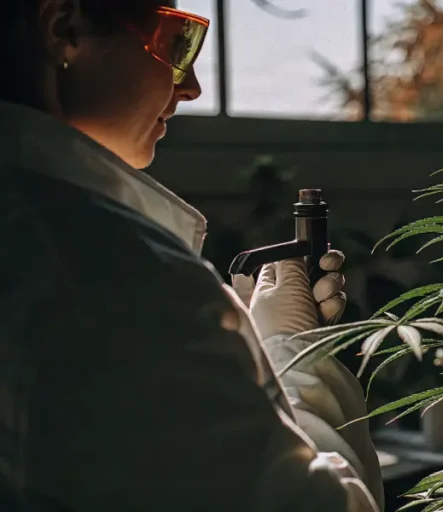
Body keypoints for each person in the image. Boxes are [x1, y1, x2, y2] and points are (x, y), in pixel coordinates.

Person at [0, 1, 383, 511]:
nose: (193, 86)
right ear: (64, 28)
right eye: (177, 41)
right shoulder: (123, 282)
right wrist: (294, 356)